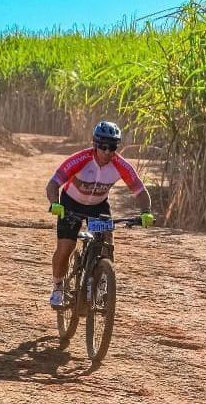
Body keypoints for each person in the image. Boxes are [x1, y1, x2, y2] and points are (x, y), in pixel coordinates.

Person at [45, 120, 154, 308]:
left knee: (107, 244)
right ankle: (57, 286)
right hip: (71, 204)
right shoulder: (80, 159)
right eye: (103, 147)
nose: (107, 152)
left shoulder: (121, 165)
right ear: (95, 145)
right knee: (66, 247)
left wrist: (146, 212)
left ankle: (103, 282)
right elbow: (53, 184)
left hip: (98, 206)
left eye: (112, 147)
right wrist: (55, 203)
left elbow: (140, 191)